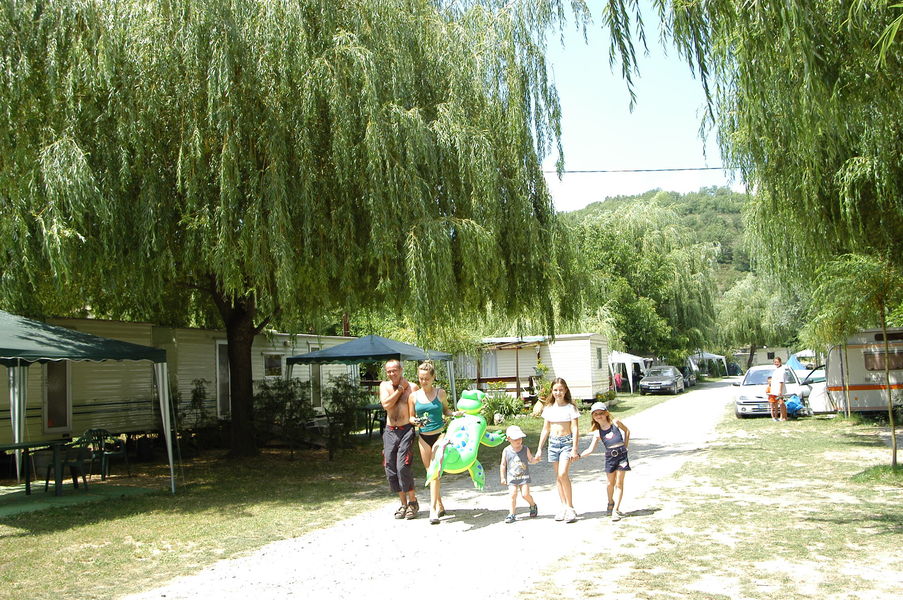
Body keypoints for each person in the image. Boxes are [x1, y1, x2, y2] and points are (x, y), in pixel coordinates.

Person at [408, 360, 459, 524]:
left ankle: (433, 510)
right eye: (421, 379)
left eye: (426, 379)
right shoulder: (413, 396)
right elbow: (410, 417)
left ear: (433, 377)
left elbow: (446, 410)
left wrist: (455, 414)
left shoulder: (440, 393)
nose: (423, 382)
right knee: (430, 472)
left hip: (439, 436)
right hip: (423, 437)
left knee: (434, 471)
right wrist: (415, 421)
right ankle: (440, 504)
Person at [535, 377, 580, 523]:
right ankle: (563, 507)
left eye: (561, 390)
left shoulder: (570, 407)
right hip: (553, 444)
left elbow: (575, 428)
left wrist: (574, 448)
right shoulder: (548, 408)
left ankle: (571, 508)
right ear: (552, 391)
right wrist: (539, 449)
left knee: (563, 474)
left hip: (566, 443)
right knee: (558, 477)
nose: (558, 392)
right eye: (555, 390)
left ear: (565, 390)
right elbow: (545, 429)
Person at [379, 359, 419, 519]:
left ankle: (413, 502)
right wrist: (400, 390)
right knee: (390, 467)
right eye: (389, 371)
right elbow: (386, 405)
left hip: (406, 430)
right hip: (390, 431)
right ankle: (403, 504)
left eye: (394, 370)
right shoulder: (384, 386)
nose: (392, 374)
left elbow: (419, 407)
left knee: (403, 466)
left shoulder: (413, 387)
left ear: (401, 370)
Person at [580, 401, 631, 521]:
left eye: (601, 413)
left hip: (622, 456)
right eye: (595, 414)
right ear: (593, 416)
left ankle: (616, 510)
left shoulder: (615, 423)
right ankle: (610, 501)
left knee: (619, 483)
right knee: (610, 484)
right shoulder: (598, 433)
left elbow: (627, 431)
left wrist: (626, 446)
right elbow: (590, 449)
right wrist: (578, 456)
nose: (599, 416)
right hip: (610, 457)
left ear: (606, 413)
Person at [500, 425, 539, 523]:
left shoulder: (525, 449)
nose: (518, 441)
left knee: (525, 494)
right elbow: (503, 464)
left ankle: (532, 505)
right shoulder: (506, 451)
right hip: (511, 477)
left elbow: (531, 460)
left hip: (524, 477)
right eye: (515, 439)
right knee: (512, 495)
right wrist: (502, 477)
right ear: (508, 439)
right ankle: (511, 514)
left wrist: (536, 460)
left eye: (520, 438)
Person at [770, 357, 788, 421]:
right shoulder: (777, 369)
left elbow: (781, 381)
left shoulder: (781, 370)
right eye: (775, 362)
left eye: (777, 362)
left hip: (779, 389)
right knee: (780, 402)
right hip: (775, 389)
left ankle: (784, 417)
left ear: (780, 362)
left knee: (781, 402)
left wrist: (780, 390)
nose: (776, 363)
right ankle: (782, 416)